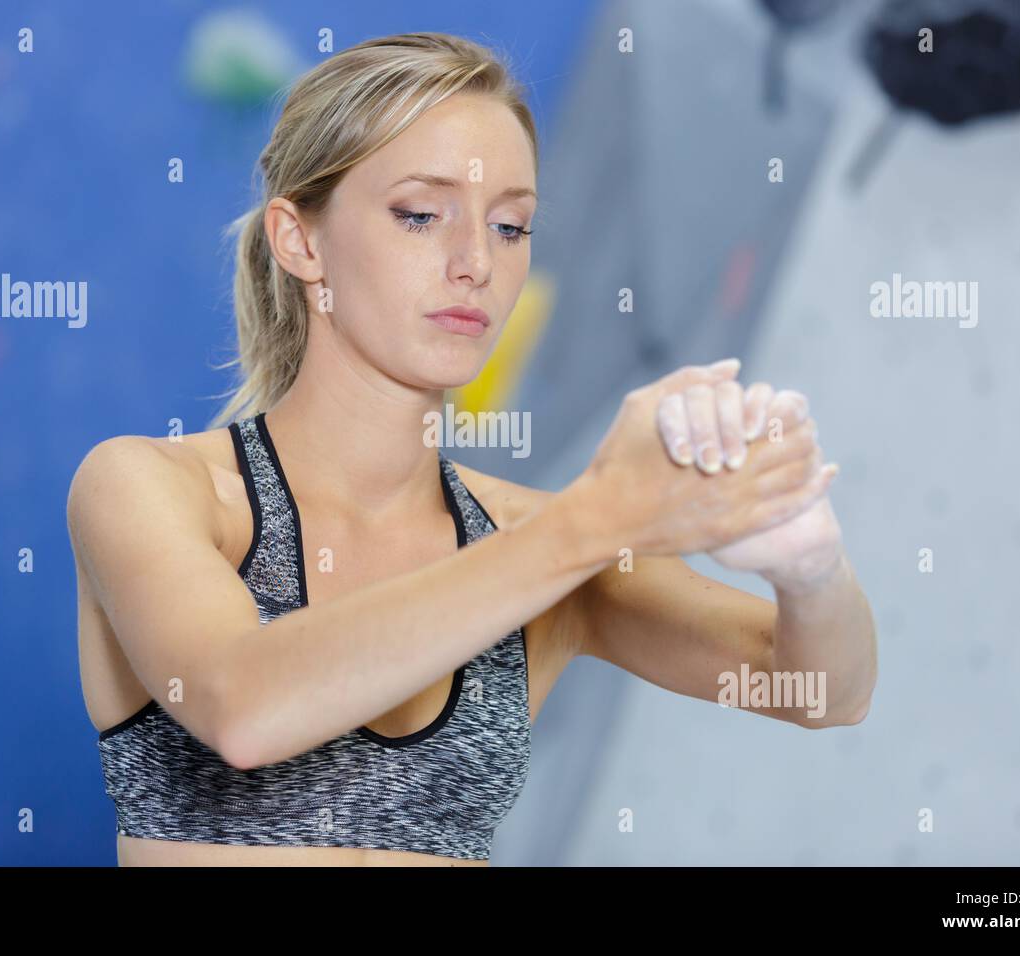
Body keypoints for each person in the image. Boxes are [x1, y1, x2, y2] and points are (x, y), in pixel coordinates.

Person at [66, 32, 877, 867]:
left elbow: (820, 691)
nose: (475, 263)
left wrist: (811, 569)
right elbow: (242, 707)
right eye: (421, 215)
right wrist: (600, 516)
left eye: (511, 226)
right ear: (300, 241)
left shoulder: (549, 545)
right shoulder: (150, 487)